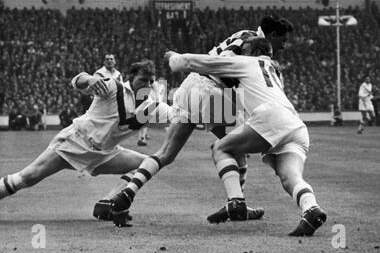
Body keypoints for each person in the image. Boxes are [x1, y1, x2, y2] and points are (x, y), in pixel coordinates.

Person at [97, 16, 294, 226]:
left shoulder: (243, 35)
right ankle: (237, 203)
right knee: (236, 150)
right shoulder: (251, 44)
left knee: (166, 153)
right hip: (212, 90)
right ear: (272, 35)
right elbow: (227, 66)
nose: (284, 45)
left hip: (190, 86)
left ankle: (127, 193)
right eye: (283, 39)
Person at [164, 37, 327, 237]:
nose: (241, 53)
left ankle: (236, 201)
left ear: (253, 52)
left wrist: (174, 56)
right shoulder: (275, 70)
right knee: (290, 176)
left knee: (221, 148)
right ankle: (311, 209)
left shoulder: (246, 62)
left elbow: (192, 62)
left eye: (245, 50)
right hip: (296, 125)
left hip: (271, 117)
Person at [0, 61, 172, 222]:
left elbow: (180, 116)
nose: (147, 86)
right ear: (131, 78)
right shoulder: (113, 87)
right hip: (75, 142)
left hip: (104, 154)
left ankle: (108, 204)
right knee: (28, 177)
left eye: (151, 81)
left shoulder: (151, 108)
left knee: (147, 164)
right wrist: (89, 78)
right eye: (143, 80)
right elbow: (77, 80)